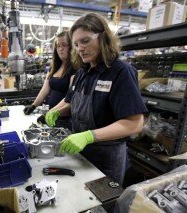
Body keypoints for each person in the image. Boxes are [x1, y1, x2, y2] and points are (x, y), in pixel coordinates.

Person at [45, 13, 148, 184]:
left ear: (103, 38)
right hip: (81, 150)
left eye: (85, 41)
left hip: (106, 156)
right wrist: (56, 111)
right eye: (76, 44)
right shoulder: (82, 72)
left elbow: (135, 123)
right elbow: (71, 101)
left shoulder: (120, 72)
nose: (80, 48)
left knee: (102, 204)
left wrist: (88, 136)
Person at [23, 31, 76, 117]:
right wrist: (33, 105)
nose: (60, 49)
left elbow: (70, 98)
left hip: (64, 116)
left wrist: (50, 113)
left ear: (71, 47)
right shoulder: (54, 67)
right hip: (51, 114)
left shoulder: (75, 69)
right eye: (58, 46)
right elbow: (45, 90)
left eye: (64, 45)